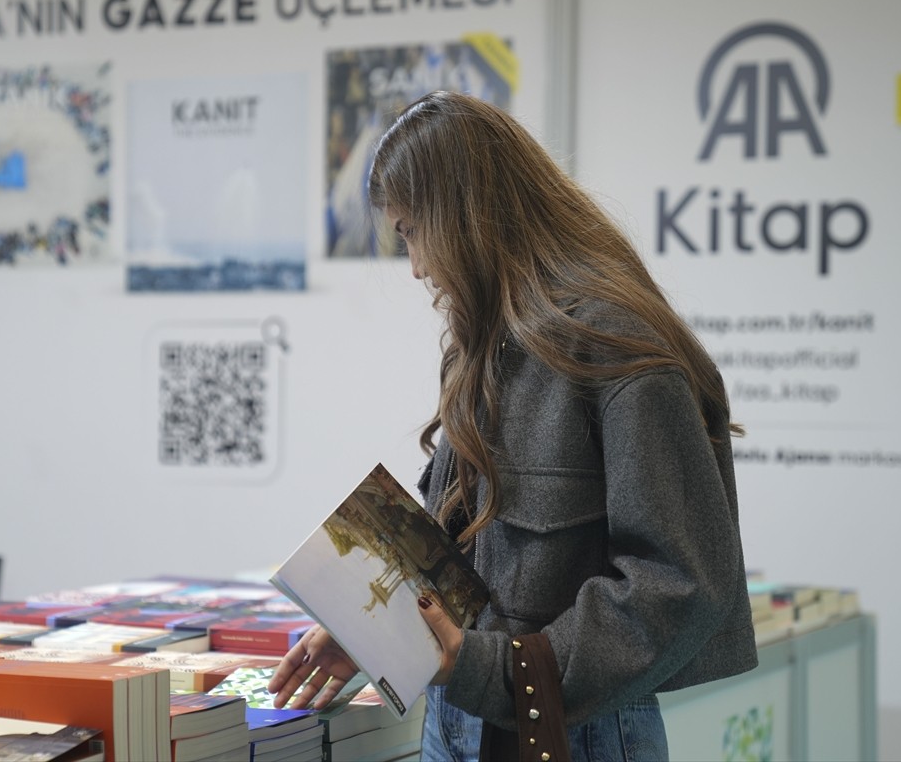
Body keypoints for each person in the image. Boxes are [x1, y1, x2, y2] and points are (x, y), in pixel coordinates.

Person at [268, 90, 758, 761]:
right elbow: (459, 547)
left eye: (414, 232)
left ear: (469, 217)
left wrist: (488, 668)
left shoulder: (617, 343)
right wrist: (377, 628)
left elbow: (679, 584)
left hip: (574, 731)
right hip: (459, 719)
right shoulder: (482, 343)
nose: (415, 267)